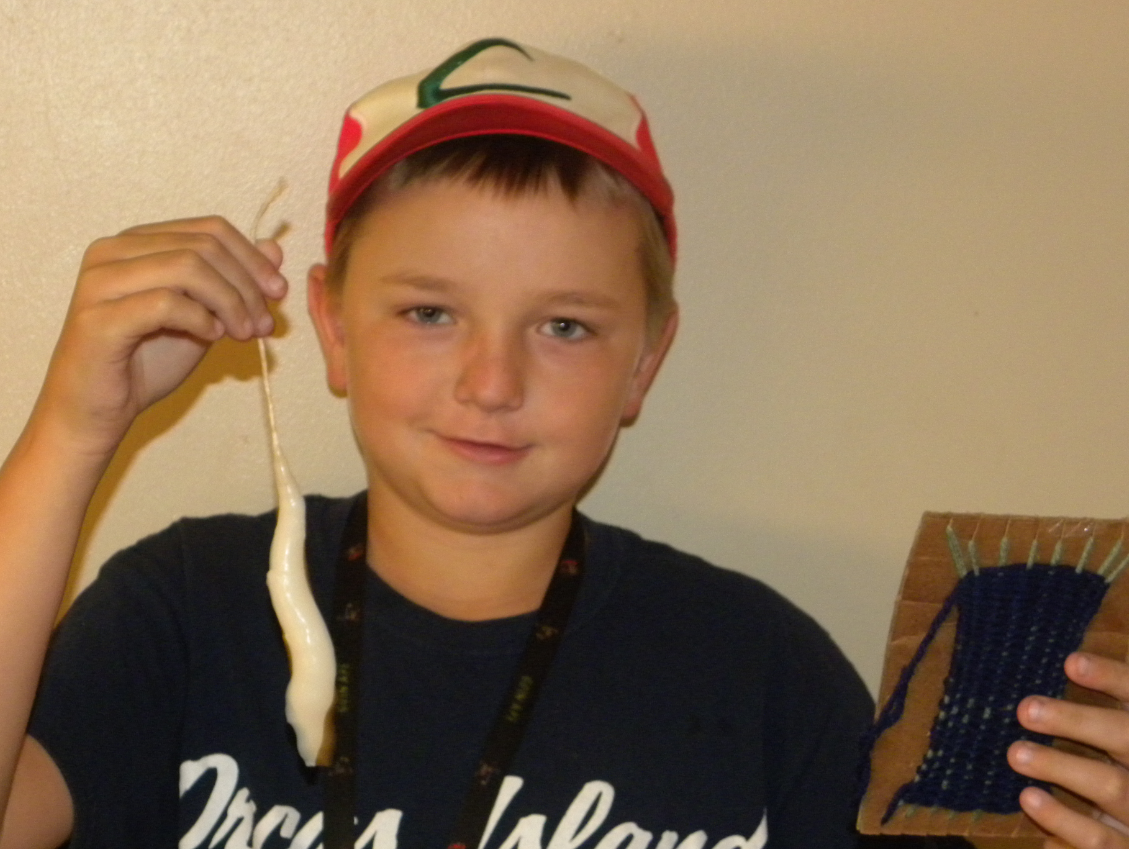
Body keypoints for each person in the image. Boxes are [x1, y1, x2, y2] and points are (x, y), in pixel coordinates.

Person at [0, 36, 1121, 849]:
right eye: (429, 311)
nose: (491, 383)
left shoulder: (763, 674)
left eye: (565, 326)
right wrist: (73, 430)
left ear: (645, 362)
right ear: (331, 326)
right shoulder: (183, 613)